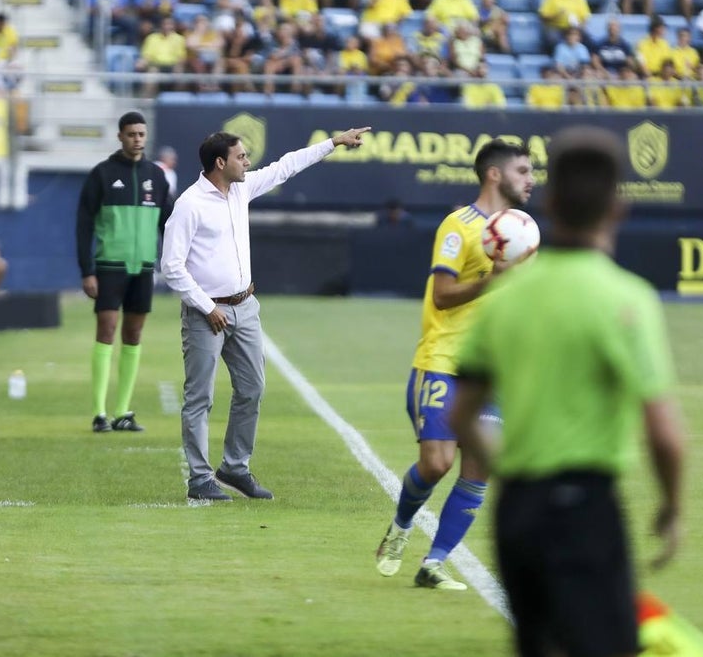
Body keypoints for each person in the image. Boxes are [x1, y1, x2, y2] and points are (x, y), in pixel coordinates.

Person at [449, 126, 686, 657]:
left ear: (549, 207)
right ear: (618, 208)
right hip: (587, 508)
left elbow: (463, 414)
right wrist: (671, 507)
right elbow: (665, 433)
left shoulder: (506, 297)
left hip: (518, 510)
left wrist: (508, 471)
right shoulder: (628, 299)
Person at [161, 125, 371, 502]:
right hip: (206, 313)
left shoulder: (241, 188)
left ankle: (234, 467)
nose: (247, 162)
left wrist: (333, 143)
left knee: (253, 388)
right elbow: (172, 266)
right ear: (220, 162)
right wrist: (207, 307)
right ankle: (198, 477)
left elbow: (286, 166)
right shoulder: (189, 204)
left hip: (244, 307)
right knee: (199, 397)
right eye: (241, 156)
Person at [374, 139, 535, 590]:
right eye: (523, 170)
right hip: (444, 359)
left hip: (493, 369)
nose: (532, 179)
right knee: (437, 462)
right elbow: (442, 296)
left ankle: (435, 564)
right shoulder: (458, 226)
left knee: (479, 465)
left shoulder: (526, 231)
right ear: (495, 175)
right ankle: (401, 526)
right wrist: (491, 280)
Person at [76, 112, 174, 434]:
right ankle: (98, 413)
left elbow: (169, 224)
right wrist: (87, 270)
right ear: (120, 136)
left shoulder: (156, 176)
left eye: (141, 134)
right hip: (109, 266)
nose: (137, 139)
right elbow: (84, 224)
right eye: (131, 134)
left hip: (143, 267)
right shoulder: (102, 175)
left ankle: (123, 412)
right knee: (107, 327)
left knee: (133, 335)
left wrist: (178, 260)